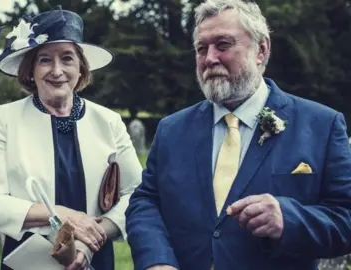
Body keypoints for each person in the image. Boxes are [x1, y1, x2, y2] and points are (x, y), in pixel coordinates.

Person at [125, 0, 351, 269]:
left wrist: (287, 218)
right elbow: (146, 202)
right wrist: (156, 260)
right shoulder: (172, 129)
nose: (210, 58)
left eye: (223, 45)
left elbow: (346, 218)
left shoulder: (322, 126)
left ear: (261, 49)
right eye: (201, 49)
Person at [0, 6, 143, 270]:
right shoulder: (7, 118)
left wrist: (92, 241)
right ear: (30, 69)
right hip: (30, 261)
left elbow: (137, 193)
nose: (57, 70)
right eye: (45, 60)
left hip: (94, 257)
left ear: (80, 68)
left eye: (67, 58)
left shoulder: (108, 121)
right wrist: (61, 215)